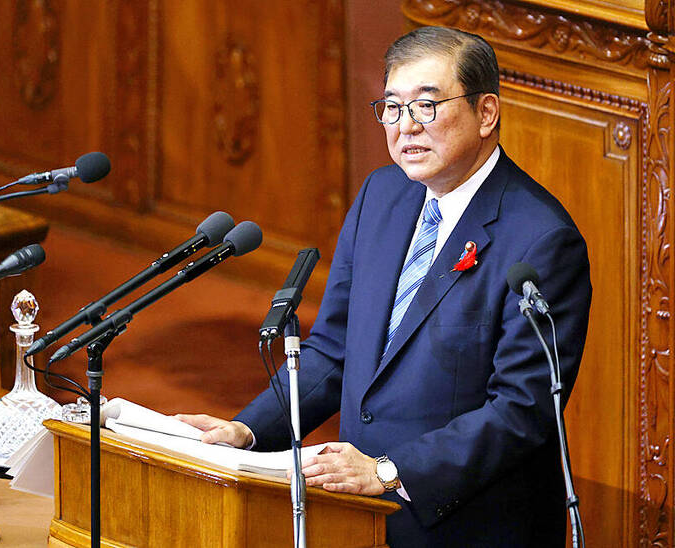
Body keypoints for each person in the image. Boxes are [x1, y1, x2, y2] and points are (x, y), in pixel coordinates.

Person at [177, 26, 591, 547]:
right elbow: (333, 349)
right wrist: (250, 431)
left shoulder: (542, 241)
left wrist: (390, 472)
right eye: (392, 108)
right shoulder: (382, 194)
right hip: (359, 515)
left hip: (466, 525)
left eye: (426, 106)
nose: (405, 127)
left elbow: (520, 411)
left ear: (487, 113)